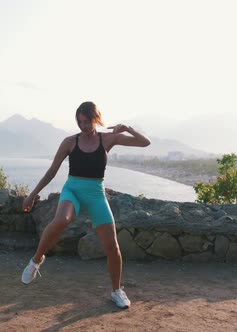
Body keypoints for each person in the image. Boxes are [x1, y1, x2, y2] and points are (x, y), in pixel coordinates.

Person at [20, 101, 151, 309]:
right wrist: (32, 195)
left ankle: (117, 291)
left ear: (95, 118)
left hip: (96, 193)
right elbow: (52, 171)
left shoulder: (108, 139)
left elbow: (145, 143)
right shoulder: (69, 142)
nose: (82, 125)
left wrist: (128, 128)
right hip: (72, 189)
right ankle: (36, 260)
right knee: (63, 219)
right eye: (79, 121)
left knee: (112, 245)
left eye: (86, 121)